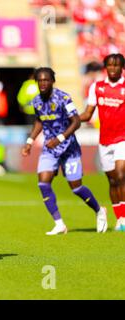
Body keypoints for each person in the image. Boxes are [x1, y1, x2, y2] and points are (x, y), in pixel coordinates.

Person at [22, 67, 107, 235]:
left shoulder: (63, 98)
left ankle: (99, 210)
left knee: (76, 187)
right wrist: (30, 141)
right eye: (40, 80)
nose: (43, 83)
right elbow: (39, 121)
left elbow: (76, 121)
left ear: (53, 81)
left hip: (69, 148)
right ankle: (59, 223)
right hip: (50, 148)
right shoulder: (37, 101)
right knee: (43, 182)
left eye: (47, 80)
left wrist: (60, 138)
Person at [80, 53, 125, 231]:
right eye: (110, 65)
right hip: (104, 140)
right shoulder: (97, 87)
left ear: (122, 68)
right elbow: (88, 114)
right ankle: (119, 218)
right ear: (106, 67)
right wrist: (70, 119)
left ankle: (124, 218)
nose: (113, 68)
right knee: (113, 181)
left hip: (122, 138)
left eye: (117, 65)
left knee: (122, 175)